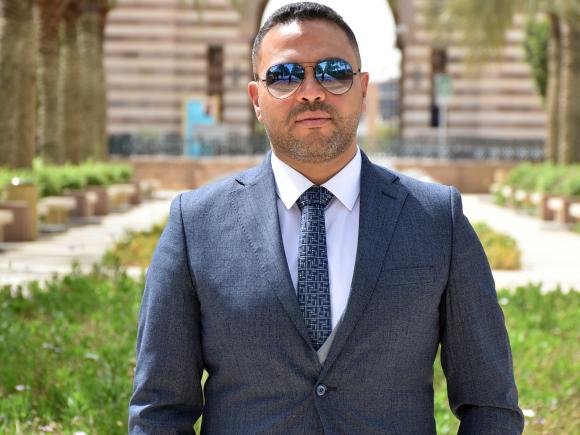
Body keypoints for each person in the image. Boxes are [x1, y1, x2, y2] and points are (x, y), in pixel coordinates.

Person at [128, 2, 524, 433]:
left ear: (363, 88)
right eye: (284, 75)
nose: (312, 90)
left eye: (334, 72)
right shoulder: (196, 225)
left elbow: (490, 404)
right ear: (256, 99)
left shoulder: (435, 220)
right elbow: (159, 410)